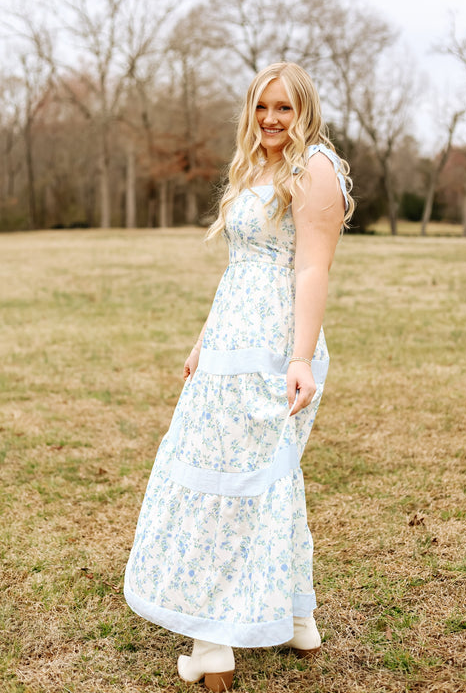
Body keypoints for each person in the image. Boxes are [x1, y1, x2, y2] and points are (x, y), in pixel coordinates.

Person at [124, 61, 355, 692]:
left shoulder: (316, 169)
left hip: (276, 348)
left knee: (240, 480)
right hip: (229, 343)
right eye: (261, 107)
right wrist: (204, 340)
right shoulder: (252, 166)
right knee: (262, 474)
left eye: (284, 108)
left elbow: (311, 272)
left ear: (303, 109)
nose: (271, 120)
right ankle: (298, 618)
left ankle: (212, 643)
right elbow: (238, 269)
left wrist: (301, 359)